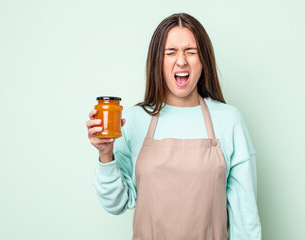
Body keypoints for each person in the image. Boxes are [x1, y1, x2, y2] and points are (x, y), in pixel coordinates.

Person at [86, 12, 261, 240]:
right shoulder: (133, 120)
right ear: (157, 61)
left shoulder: (229, 121)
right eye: (171, 52)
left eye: (191, 52)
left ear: (204, 60)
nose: (181, 61)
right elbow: (116, 203)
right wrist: (105, 154)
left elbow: (245, 218)